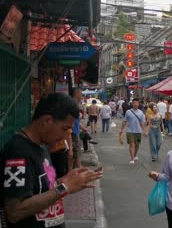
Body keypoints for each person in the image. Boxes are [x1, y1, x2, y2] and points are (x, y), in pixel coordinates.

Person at [0, 92, 102, 228]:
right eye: (64, 128)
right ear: (47, 121)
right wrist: (65, 187)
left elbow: (41, 188)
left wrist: (65, 180)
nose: (65, 135)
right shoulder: (18, 151)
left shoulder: (42, 146)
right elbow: (15, 210)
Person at [120, 98, 148, 164]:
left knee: (137, 145)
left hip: (138, 131)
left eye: (136, 103)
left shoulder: (141, 113)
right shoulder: (128, 112)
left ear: (138, 104)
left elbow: (142, 123)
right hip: (130, 131)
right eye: (134, 103)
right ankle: (132, 158)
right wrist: (121, 130)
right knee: (132, 145)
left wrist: (145, 131)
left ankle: (135, 156)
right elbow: (124, 121)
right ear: (132, 104)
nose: (135, 104)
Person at [70, 88, 88, 170]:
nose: (82, 95)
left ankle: (77, 166)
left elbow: (76, 120)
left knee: (76, 149)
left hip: (76, 130)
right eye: (80, 93)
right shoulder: (72, 104)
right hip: (72, 131)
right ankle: (77, 166)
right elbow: (72, 120)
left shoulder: (76, 104)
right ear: (76, 93)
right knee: (75, 150)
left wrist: (82, 127)